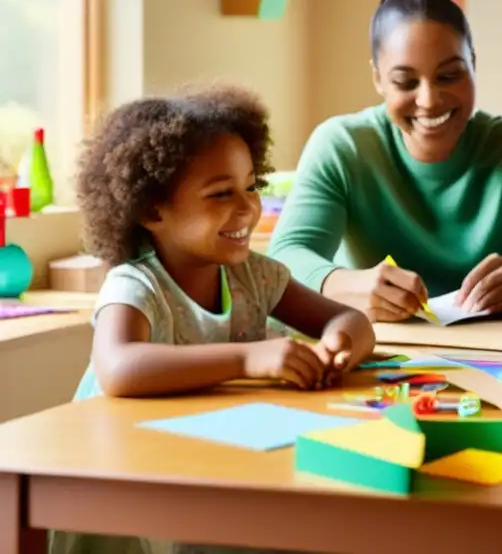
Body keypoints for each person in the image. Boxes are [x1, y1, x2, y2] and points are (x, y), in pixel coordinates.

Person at [268, 0, 502, 322]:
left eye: (449, 76)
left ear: (474, 65)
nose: (429, 100)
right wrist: (339, 283)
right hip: (380, 353)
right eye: (405, 82)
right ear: (378, 78)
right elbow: (285, 256)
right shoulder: (343, 146)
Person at [70, 85, 376, 400]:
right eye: (221, 194)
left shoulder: (256, 277)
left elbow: (350, 319)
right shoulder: (135, 285)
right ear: (151, 210)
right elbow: (118, 368)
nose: (248, 208)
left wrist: (338, 347)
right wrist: (246, 359)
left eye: (251, 186)